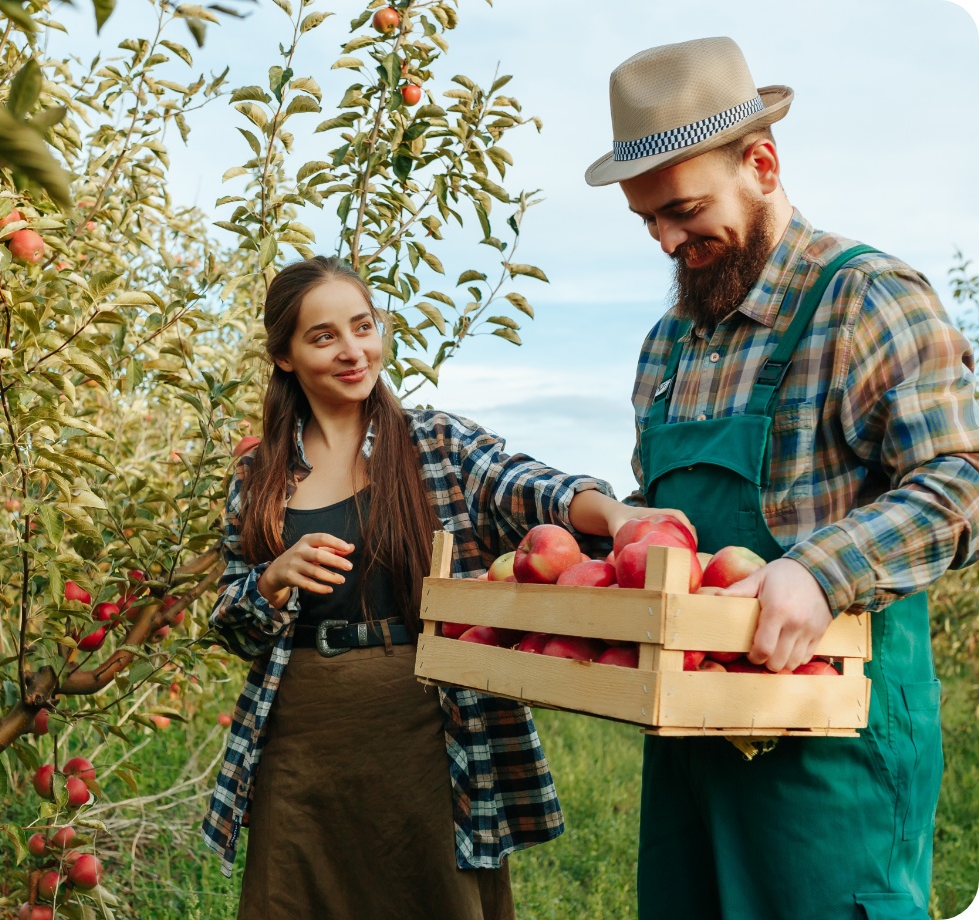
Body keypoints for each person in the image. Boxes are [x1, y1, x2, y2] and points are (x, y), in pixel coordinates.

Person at [584, 35, 979, 920]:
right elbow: (665, 517)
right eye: (648, 221)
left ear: (761, 163)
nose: (666, 241)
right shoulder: (668, 345)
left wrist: (819, 568)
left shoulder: (866, 299)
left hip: (829, 743)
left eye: (683, 210)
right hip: (689, 735)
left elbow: (961, 480)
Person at [199, 255, 687, 919]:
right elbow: (229, 620)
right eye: (324, 337)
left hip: (427, 728)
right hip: (304, 737)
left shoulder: (434, 443)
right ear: (285, 356)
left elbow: (534, 491)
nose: (353, 351)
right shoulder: (259, 476)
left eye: (363, 326)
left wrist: (620, 517)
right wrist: (271, 580)